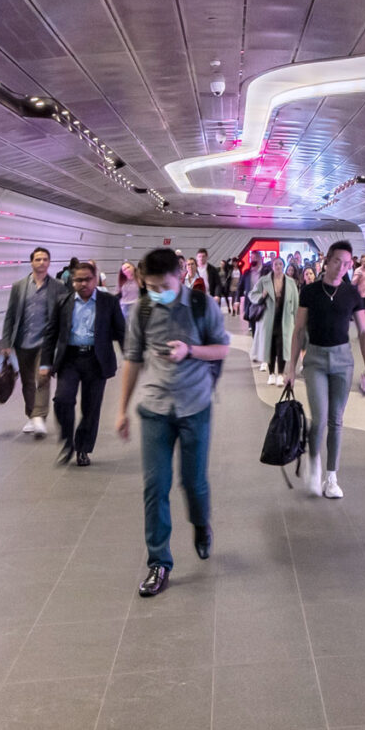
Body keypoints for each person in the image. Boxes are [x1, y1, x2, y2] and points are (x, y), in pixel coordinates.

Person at [118, 247, 232, 596]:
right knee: (155, 486)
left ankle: (201, 524)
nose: (157, 292)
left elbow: (222, 348)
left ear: (180, 275)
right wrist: (122, 410)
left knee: (193, 482)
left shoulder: (201, 305)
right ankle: (159, 562)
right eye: (151, 286)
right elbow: (132, 359)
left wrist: (190, 350)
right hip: (155, 408)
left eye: (163, 286)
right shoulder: (142, 310)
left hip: (195, 405)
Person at [288, 241, 365, 499]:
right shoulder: (310, 291)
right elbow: (299, 330)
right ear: (327, 261)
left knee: (336, 419)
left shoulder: (351, 293)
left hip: (342, 361)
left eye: (347, 264)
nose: (341, 267)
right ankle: (314, 463)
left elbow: (363, 332)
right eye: (337, 261)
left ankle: (331, 476)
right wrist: (290, 368)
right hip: (315, 359)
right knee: (320, 417)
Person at [41, 261, 126, 468]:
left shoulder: (108, 302)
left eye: (87, 279)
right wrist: (45, 363)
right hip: (69, 358)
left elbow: (122, 332)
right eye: (78, 280)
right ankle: (68, 440)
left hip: (96, 359)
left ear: (95, 279)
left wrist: (131, 358)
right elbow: (51, 334)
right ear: (72, 281)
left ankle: (82, 448)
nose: (83, 284)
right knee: (62, 400)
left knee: (91, 407)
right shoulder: (63, 302)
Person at [0, 246, 68, 438]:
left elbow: (63, 315)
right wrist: (6, 342)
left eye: (45, 259)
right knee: (27, 381)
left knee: (43, 377)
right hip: (22, 341)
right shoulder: (19, 286)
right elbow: (11, 315)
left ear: (49, 262)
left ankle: (39, 416)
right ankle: (32, 415)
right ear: (31, 262)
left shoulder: (58, 287)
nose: (41, 262)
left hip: (45, 343)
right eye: (38, 259)